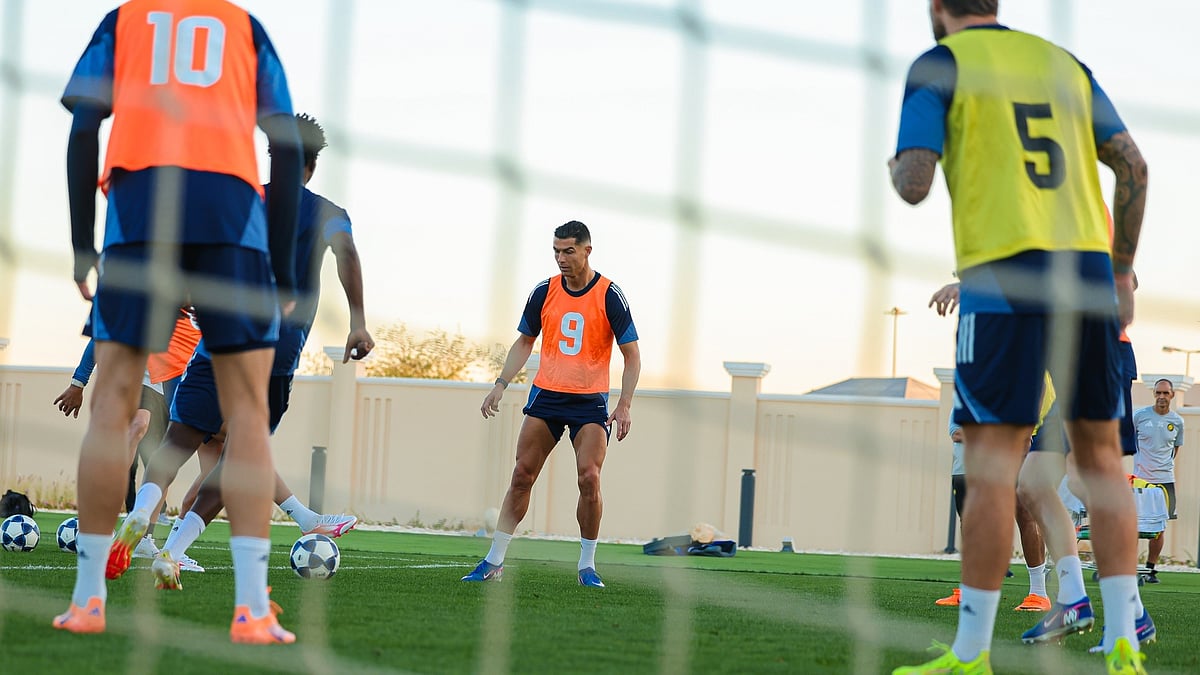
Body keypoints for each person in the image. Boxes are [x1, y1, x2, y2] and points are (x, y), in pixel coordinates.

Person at [889, 1, 1149, 672]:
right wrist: (1120, 269)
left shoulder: (940, 64)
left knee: (992, 471)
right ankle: (1123, 639)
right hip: (1089, 273)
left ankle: (971, 651)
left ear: (938, 9)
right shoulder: (1062, 63)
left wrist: (901, 165)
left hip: (1004, 276)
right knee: (1101, 463)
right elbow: (1134, 167)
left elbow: (914, 182)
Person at [55, 0, 304, 645]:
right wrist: (278, 264)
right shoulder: (245, 28)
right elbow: (283, 143)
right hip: (229, 217)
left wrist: (84, 243)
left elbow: (85, 126)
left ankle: (88, 597)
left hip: (141, 210)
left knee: (110, 402)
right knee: (247, 412)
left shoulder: (123, 20)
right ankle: (252, 607)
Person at [122, 112, 373, 589]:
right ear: (312, 167)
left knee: (178, 439)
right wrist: (358, 321)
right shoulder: (326, 212)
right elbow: (347, 254)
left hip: (217, 340)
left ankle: (139, 512)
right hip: (271, 355)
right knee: (237, 458)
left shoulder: (242, 198)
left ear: (271, 156)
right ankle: (173, 553)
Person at [463, 220, 640, 588]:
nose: (561, 258)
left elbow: (632, 355)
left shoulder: (610, 294)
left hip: (589, 402)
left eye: (568, 251)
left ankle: (587, 566)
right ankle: (494, 561)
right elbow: (524, 342)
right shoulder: (544, 291)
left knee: (589, 477)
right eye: (556, 251)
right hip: (546, 395)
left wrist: (624, 405)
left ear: (587, 250)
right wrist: (500, 384)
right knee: (522, 475)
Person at [1132, 378, 1183, 583]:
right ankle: (1130, 568)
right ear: (1154, 394)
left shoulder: (1177, 421)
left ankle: (1150, 569)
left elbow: (1175, 449)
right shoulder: (1140, 417)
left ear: (1172, 395)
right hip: (1141, 481)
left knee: (1159, 528)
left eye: (1166, 393)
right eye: (1158, 393)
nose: (1162, 397)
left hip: (1165, 481)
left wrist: (1162, 466)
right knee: (1134, 525)